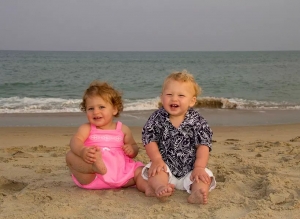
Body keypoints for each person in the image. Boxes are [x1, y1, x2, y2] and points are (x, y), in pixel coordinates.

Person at [141, 70, 216, 204]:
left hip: (191, 170)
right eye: (169, 94)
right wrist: (157, 160)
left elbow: (203, 146)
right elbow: (149, 140)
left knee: (204, 177)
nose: (174, 99)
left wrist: (199, 167)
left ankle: (196, 193)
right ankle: (160, 188)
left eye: (181, 95)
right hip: (165, 168)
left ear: (192, 101)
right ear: (162, 97)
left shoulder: (198, 121)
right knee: (154, 172)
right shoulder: (157, 118)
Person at [66, 81, 151, 194]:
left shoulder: (122, 129)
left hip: (121, 174)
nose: (96, 112)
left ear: (114, 109)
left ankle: (148, 189)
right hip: (93, 177)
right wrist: (82, 151)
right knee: (70, 156)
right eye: (90, 108)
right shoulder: (87, 128)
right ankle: (94, 167)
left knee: (140, 172)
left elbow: (134, 147)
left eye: (101, 107)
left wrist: (131, 150)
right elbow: (75, 141)